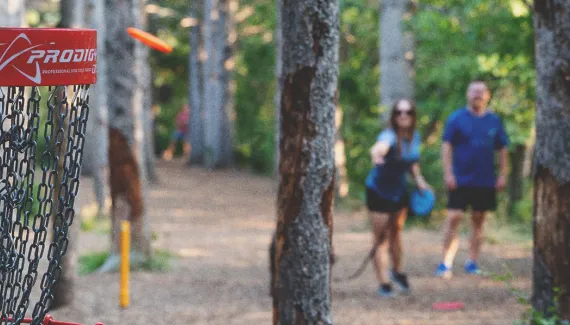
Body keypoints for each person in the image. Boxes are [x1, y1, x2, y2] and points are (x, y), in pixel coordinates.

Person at [435, 81, 509, 279]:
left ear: (487, 95)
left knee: (478, 220)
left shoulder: (494, 120)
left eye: (481, 92)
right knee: (454, 217)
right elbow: (446, 146)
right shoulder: (456, 119)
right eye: (474, 91)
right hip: (460, 178)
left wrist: (502, 174)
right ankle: (445, 262)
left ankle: (472, 261)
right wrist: (448, 173)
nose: (477, 95)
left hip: (484, 180)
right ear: (467, 94)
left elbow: (502, 149)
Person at [365, 98, 431, 297]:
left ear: (413, 116)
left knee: (396, 234)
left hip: (399, 192)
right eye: (399, 112)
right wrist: (376, 155)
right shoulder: (388, 135)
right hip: (379, 191)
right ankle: (383, 283)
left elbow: (412, 163)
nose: (403, 116)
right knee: (380, 239)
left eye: (408, 112)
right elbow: (379, 147)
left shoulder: (414, 137)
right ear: (394, 116)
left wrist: (419, 181)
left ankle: (397, 272)